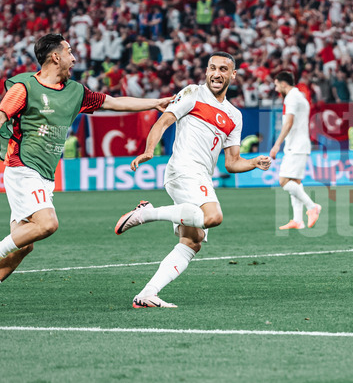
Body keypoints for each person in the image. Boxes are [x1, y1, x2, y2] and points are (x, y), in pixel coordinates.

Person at [0, 34, 172, 318]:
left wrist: (155, 102)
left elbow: (113, 102)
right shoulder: (26, 86)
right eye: (69, 52)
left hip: (45, 176)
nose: (74, 57)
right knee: (47, 223)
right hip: (23, 167)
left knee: (24, 246)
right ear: (55, 56)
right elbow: (0, 115)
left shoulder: (75, 92)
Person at [114, 52, 272, 308]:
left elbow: (232, 163)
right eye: (212, 68)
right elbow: (164, 120)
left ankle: (146, 294)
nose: (216, 74)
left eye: (223, 69)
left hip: (201, 176)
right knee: (213, 216)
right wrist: (149, 149)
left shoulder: (234, 115)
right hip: (185, 168)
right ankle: (147, 213)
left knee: (192, 241)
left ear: (233, 75)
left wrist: (254, 162)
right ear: (206, 71)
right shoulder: (192, 93)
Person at [269, 71, 322, 230]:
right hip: (299, 144)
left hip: (296, 146)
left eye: (277, 84)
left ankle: (312, 207)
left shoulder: (291, 97)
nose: (276, 88)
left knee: (284, 181)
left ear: (283, 83)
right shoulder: (300, 96)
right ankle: (298, 220)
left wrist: (277, 144)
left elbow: (289, 123)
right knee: (295, 182)